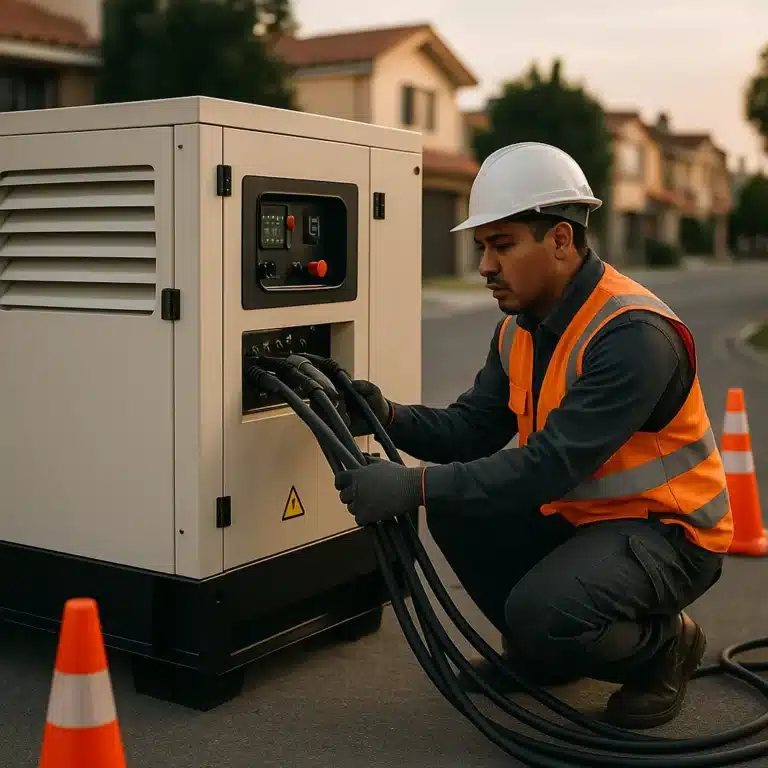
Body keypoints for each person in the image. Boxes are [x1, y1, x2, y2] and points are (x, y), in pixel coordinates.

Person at [333, 141, 731, 730]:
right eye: (482, 247)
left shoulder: (633, 335)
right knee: (459, 511)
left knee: (543, 609)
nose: (485, 266)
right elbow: (472, 430)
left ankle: (665, 648)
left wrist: (413, 486)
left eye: (502, 245)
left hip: (669, 534)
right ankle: (544, 655)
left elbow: (549, 465)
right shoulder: (521, 328)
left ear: (561, 240)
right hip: (584, 520)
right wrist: (390, 415)